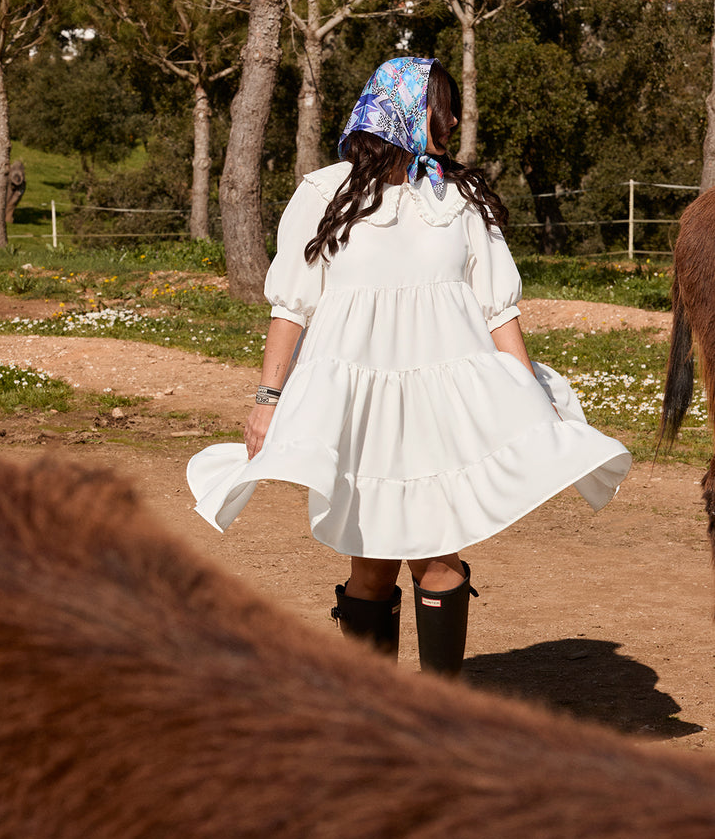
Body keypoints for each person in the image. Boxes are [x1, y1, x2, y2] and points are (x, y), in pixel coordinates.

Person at [187, 56, 631, 676]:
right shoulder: (323, 193)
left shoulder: (458, 201)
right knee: (367, 565)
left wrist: (533, 391)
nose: (448, 119)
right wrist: (267, 398)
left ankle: (438, 712)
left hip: (439, 407)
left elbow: (497, 309)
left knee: (439, 561)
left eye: (450, 107)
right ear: (396, 106)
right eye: (437, 105)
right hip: (360, 410)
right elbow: (291, 307)